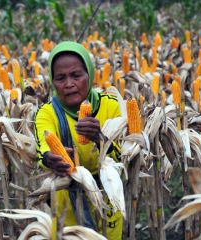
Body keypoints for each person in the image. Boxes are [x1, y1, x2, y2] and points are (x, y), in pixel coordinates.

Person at [34, 41, 123, 240]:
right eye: (60, 78)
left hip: (108, 195)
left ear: (89, 75)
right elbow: (43, 145)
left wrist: (100, 139)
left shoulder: (111, 106)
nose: (68, 84)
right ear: (52, 81)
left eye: (76, 75)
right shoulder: (47, 113)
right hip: (68, 201)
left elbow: (124, 154)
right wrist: (50, 159)